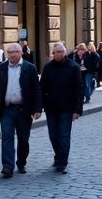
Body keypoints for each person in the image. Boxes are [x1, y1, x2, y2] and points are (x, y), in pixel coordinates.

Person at [0, 41, 42, 177]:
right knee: (7, 136)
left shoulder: (30, 68)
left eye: (15, 52)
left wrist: (37, 109)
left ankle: (21, 162)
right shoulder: (1, 68)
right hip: (6, 110)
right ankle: (7, 166)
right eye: (9, 52)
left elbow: (36, 90)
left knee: (23, 139)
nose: (12, 54)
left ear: (21, 53)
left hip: (24, 109)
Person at [39, 42, 83, 174]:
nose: (57, 54)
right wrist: (39, 106)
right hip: (51, 107)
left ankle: (62, 162)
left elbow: (79, 89)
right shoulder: (48, 67)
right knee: (53, 136)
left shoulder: (73, 67)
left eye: (60, 51)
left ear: (65, 52)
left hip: (67, 108)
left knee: (64, 135)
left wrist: (77, 110)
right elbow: (41, 88)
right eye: (55, 52)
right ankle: (58, 154)